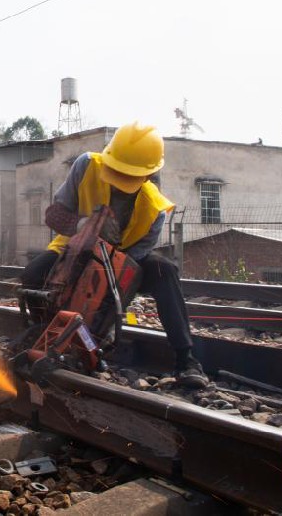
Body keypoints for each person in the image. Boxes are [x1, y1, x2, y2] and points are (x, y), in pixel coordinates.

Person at [20, 122, 210, 389]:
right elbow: (53, 215)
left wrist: (107, 312)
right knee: (32, 275)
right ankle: (43, 333)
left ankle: (186, 360)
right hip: (74, 247)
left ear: (148, 175)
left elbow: (128, 268)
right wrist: (82, 224)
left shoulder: (155, 209)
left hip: (124, 259)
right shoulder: (86, 166)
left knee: (164, 271)